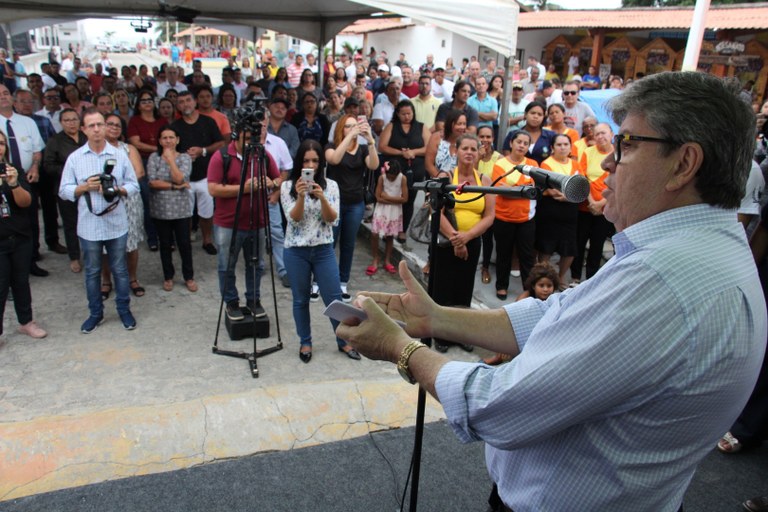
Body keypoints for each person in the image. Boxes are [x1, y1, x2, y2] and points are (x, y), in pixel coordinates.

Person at [336, 71, 766, 512]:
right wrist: (436, 318)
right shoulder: (696, 251)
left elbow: (500, 404)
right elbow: (557, 312)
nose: (607, 163)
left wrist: (398, 347)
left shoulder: (662, 283)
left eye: (628, 144)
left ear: (684, 163)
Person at [59, 109, 140, 333]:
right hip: (89, 225)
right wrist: (85, 187)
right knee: (93, 271)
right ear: (83, 129)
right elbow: (63, 191)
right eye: (91, 125)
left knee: (120, 270)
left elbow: (135, 185)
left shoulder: (119, 155)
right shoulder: (75, 158)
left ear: (106, 127)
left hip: (116, 222)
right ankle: (95, 313)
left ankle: (124, 310)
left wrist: (118, 189)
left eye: (100, 124)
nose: (96, 129)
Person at [280, 139, 361, 363]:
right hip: (296, 251)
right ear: (299, 162)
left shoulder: (331, 186)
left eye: (315, 160)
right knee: (300, 299)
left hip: (324, 249)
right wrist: (302, 196)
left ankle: (343, 340)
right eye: (306, 161)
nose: (311, 165)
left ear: (321, 163)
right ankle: (305, 341)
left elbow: (331, 219)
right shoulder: (288, 187)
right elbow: (293, 220)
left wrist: (322, 197)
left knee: (334, 298)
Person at [207, 123, 281, 321]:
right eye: (247, 139)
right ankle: (231, 303)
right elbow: (213, 189)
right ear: (236, 137)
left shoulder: (262, 155)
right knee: (226, 265)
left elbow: (279, 177)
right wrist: (243, 188)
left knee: (256, 264)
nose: (251, 144)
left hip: (257, 221)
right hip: (227, 224)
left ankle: (253, 300)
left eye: (254, 139)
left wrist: (272, 184)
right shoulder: (221, 156)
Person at [432, 134, 495, 352]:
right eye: (465, 148)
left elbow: (489, 216)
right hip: (447, 242)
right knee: (443, 288)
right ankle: (441, 334)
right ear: (456, 151)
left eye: (473, 149)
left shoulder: (485, 181)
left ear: (480, 153)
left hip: (472, 242)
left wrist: (467, 238)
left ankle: (460, 333)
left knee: (464, 287)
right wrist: (455, 239)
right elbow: (436, 212)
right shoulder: (446, 176)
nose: (469, 152)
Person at [324, 114, 379, 302]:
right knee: (329, 242)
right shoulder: (331, 147)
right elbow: (334, 160)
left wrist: (370, 140)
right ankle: (322, 280)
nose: (353, 129)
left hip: (355, 203)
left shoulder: (363, 149)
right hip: (334, 203)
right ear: (341, 128)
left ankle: (342, 281)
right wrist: (349, 136)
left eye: (355, 126)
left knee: (348, 244)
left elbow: (374, 165)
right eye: (348, 126)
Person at [0, 130, 48, 341]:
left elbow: (26, 202)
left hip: (20, 236)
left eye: (2, 143)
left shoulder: (14, 170)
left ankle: (26, 322)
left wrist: (13, 184)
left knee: (21, 281)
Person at [170, 90, 225, 255]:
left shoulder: (208, 122)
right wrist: (183, 157)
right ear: (177, 105)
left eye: (188, 100)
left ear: (195, 102)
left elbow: (221, 143)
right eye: (181, 101)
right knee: (184, 213)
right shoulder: (175, 126)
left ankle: (207, 240)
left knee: (206, 212)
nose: (185, 104)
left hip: (205, 175)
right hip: (183, 177)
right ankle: (184, 240)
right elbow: (169, 150)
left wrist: (203, 151)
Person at [147, 126, 196, 292]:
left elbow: (180, 177)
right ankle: (168, 276)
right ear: (160, 141)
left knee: (184, 244)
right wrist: (176, 187)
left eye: (171, 137)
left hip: (181, 209)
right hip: (160, 209)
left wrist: (170, 161)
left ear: (177, 139)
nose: (168, 141)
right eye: (164, 138)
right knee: (165, 244)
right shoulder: (154, 157)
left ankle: (188, 276)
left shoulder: (184, 158)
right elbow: (152, 182)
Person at [483, 262, 559, 365]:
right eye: (541, 285)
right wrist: (506, 348)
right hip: (521, 336)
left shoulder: (555, 302)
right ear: (533, 286)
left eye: (549, 286)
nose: (545, 289)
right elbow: (511, 324)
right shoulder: (524, 300)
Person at [491, 130, 537, 299]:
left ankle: (529, 290)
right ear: (511, 143)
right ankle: (501, 286)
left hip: (526, 218)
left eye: (526, 143)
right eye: (519, 142)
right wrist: (522, 188)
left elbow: (534, 189)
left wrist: (512, 188)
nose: (522, 145)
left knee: (527, 256)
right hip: (503, 217)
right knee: (503, 254)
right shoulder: (500, 164)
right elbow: (499, 189)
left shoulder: (532, 164)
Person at [103, 113, 146, 298]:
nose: (114, 127)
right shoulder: (96, 149)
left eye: (118, 125)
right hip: (103, 201)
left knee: (131, 242)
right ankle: (106, 281)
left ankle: (132, 278)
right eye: (109, 124)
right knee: (104, 243)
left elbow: (139, 172)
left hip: (128, 201)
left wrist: (118, 187)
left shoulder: (129, 149)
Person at [43, 108, 88, 273]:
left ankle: (91, 254)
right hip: (67, 187)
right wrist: (69, 170)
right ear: (61, 123)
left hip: (88, 187)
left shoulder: (86, 136)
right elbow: (48, 165)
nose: (71, 123)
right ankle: (74, 257)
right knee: (71, 223)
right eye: (67, 120)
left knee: (89, 220)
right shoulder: (55, 140)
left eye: (74, 119)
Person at [378, 100, 430, 241]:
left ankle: (402, 230)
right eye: (403, 114)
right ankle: (389, 229)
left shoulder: (421, 127)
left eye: (409, 113)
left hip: (415, 169)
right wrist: (401, 153)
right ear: (398, 114)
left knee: (409, 199)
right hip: (394, 170)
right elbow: (382, 146)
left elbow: (429, 148)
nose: (407, 116)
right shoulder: (391, 126)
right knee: (392, 199)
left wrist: (413, 152)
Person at [571, 122, 614, 283]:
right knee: (579, 242)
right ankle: (575, 277)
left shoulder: (618, 154)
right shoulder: (588, 152)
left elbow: (619, 182)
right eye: (597, 134)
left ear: (611, 134)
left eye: (603, 133)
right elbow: (582, 177)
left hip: (606, 208)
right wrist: (591, 202)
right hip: (585, 206)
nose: (600, 137)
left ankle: (591, 279)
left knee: (597, 245)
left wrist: (601, 203)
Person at [537, 133, 580, 286]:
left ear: (570, 147)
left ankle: (561, 277)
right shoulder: (546, 164)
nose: (562, 148)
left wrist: (568, 196)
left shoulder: (575, 164)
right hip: (551, 210)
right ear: (552, 148)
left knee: (569, 248)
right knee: (546, 247)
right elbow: (550, 189)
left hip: (570, 212)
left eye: (565, 144)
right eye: (559, 145)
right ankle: (543, 279)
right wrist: (569, 194)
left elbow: (580, 185)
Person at [368, 160, 407, 276]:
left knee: (390, 235)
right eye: (389, 177)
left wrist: (387, 197)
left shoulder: (402, 178)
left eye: (393, 177)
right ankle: (375, 258)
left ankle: (387, 260)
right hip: (382, 209)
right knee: (374, 233)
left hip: (394, 211)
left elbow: (405, 199)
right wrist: (394, 199)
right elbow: (378, 197)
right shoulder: (382, 177)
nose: (390, 179)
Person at [476, 125, 502, 285]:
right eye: (482, 136)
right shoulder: (473, 155)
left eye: (488, 137)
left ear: (493, 139)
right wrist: (478, 157)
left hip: (492, 203)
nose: (485, 140)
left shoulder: (498, 158)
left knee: (488, 238)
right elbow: (469, 175)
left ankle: (485, 266)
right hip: (474, 200)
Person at [425, 109, 467, 178]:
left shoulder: (466, 141)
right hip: (437, 182)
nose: (462, 127)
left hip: (458, 184)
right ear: (450, 123)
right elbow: (428, 164)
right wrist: (441, 179)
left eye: (464, 124)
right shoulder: (436, 137)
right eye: (459, 124)